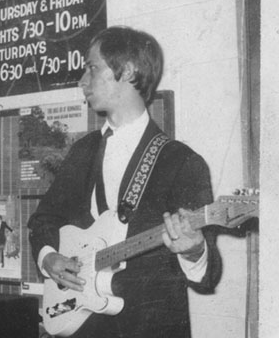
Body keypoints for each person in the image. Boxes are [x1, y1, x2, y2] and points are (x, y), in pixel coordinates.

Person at [27, 26, 222, 338]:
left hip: (150, 329)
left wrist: (193, 251)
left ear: (128, 71)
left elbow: (208, 275)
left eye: (92, 68)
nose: (82, 81)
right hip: (82, 325)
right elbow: (44, 219)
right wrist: (48, 256)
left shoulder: (181, 161)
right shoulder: (82, 150)